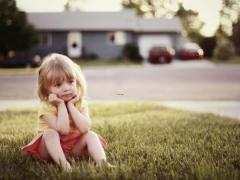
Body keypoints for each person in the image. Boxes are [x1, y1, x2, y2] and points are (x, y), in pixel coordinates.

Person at [21, 53, 112, 171]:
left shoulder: (80, 103)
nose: (66, 88)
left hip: (73, 148)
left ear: (77, 81)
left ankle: (102, 163)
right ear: (46, 89)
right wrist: (60, 105)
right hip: (50, 149)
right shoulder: (46, 106)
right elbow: (63, 130)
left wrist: (71, 106)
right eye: (58, 85)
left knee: (91, 135)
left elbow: (85, 128)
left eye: (70, 82)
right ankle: (64, 165)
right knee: (50, 133)